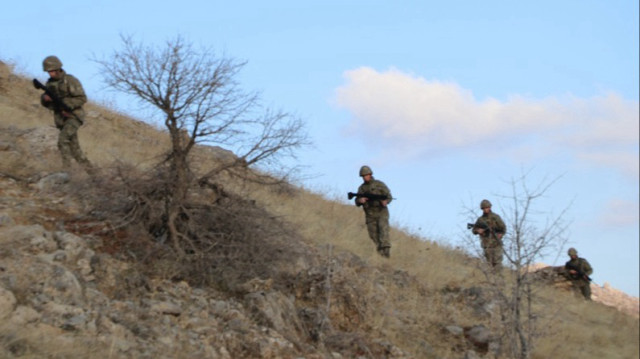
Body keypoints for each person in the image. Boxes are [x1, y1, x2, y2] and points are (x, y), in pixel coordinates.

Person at [39, 55, 93, 172]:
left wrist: (66, 104)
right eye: (49, 72)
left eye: (53, 71)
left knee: (63, 140)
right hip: (61, 119)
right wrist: (45, 100)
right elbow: (50, 106)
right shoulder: (49, 85)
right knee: (75, 150)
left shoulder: (70, 80)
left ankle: (67, 171)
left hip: (74, 116)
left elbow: (82, 98)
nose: (51, 74)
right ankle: (95, 175)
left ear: (58, 69)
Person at [354, 165, 393, 258]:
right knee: (373, 235)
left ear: (370, 174)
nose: (365, 177)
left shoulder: (379, 185)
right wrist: (360, 200)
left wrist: (385, 201)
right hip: (370, 215)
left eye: (366, 175)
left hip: (381, 212)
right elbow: (357, 200)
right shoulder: (361, 188)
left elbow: (389, 196)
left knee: (383, 232)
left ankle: (386, 253)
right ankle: (380, 255)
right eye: (363, 176)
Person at [471, 199, 506, 269]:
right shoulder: (480, 220)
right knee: (489, 264)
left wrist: (500, 234)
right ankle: (491, 279)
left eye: (487, 207)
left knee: (498, 263)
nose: (486, 209)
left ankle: (498, 279)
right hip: (486, 245)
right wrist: (478, 231)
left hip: (496, 244)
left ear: (490, 207)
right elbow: (474, 230)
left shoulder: (496, 217)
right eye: (484, 208)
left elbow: (503, 228)